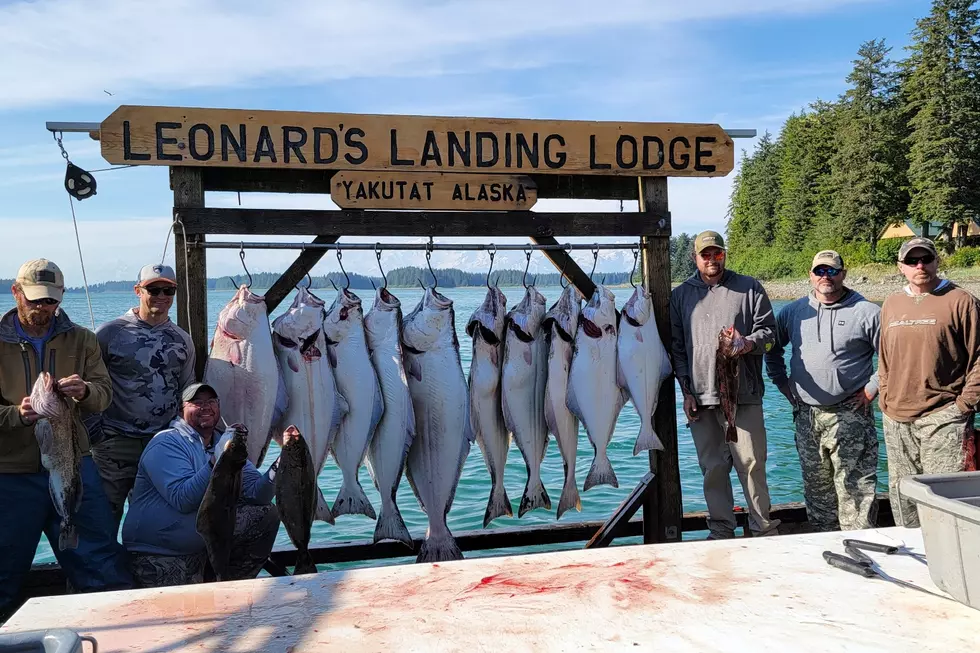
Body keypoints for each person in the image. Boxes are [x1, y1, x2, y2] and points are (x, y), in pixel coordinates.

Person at [0, 259, 132, 620]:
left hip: (76, 462)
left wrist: (86, 390)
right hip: (10, 475)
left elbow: (104, 395)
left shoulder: (83, 339)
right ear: (16, 293)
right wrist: (16, 415)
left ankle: (115, 631)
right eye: (35, 300)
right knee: (5, 566)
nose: (43, 309)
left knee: (98, 561)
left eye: (51, 302)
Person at [669, 230, 781, 539]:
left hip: (744, 396)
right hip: (701, 400)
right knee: (713, 468)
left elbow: (770, 335)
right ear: (696, 258)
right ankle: (721, 529)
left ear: (724, 255)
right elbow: (677, 348)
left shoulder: (749, 288)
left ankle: (762, 527)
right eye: (705, 254)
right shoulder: (680, 295)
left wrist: (746, 343)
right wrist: (686, 392)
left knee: (752, 463)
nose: (711, 260)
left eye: (717, 254)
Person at [765, 250, 881, 532]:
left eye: (831, 271)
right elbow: (772, 350)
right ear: (810, 275)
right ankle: (824, 541)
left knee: (856, 486)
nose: (825, 277)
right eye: (820, 271)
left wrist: (872, 389)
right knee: (817, 487)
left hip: (852, 412)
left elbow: (893, 357)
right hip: (806, 415)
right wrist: (782, 383)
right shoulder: (792, 312)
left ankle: (863, 546)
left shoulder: (867, 312)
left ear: (843, 273)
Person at [122, 382, 280, 588]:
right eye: (196, 402)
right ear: (181, 410)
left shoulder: (219, 441)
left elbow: (258, 495)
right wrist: (218, 459)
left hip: (201, 549)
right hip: (159, 554)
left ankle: (230, 587)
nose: (206, 406)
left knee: (266, 515)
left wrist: (280, 466)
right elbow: (183, 499)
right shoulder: (167, 443)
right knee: (179, 617)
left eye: (211, 401)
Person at [879, 237, 980, 527]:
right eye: (912, 261)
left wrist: (963, 405)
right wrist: (885, 397)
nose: (919, 265)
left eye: (926, 259)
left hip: (944, 417)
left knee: (946, 505)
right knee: (903, 500)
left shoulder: (961, 301)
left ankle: (951, 566)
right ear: (901, 267)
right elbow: (884, 357)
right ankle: (912, 561)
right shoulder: (892, 303)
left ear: (937, 262)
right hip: (896, 419)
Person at [87, 263, 195, 532]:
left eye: (168, 290)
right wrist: (95, 434)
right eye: (153, 289)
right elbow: (91, 386)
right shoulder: (109, 333)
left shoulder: (182, 340)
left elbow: (187, 389)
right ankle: (98, 573)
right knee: (101, 520)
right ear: (138, 290)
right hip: (114, 443)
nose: (161, 295)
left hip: (161, 445)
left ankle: (144, 572)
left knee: (153, 522)